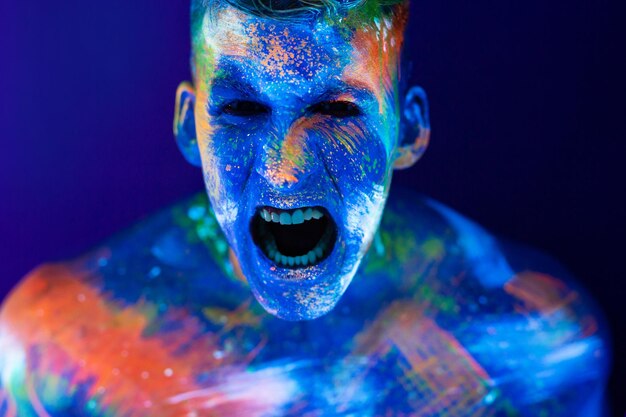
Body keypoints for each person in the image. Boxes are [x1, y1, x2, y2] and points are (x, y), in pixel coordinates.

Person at [0, 0, 610, 415]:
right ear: (191, 127)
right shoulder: (57, 354)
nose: (281, 168)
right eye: (241, 111)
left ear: (408, 129)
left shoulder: (532, 345)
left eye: (338, 113)